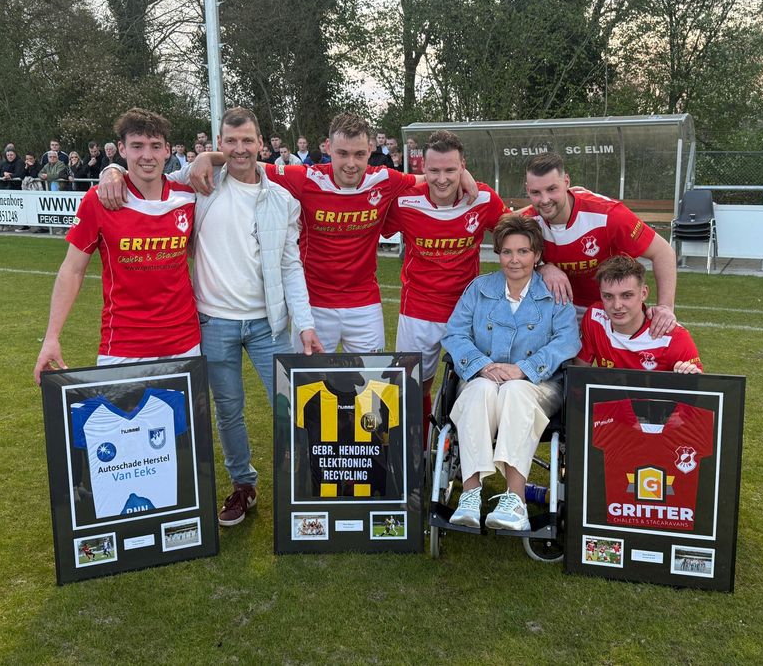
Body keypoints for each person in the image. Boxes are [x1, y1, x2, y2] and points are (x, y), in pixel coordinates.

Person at [97, 106, 324, 526]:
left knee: (292, 405)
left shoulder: (282, 200)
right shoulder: (197, 184)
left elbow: (291, 265)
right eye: (231, 142)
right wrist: (109, 169)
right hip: (213, 323)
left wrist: (305, 324)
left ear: (261, 144)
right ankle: (244, 485)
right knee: (229, 411)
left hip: (268, 325)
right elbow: (141, 170)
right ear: (220, 144)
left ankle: (305, 483)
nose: (240, 149)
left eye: (247, 141)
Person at [177, 111, 476, 353]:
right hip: (314, 306)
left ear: (370, 151)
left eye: (359, 154)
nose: (350, 163)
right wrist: (209, 157)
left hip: (365, 305)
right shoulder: (305, 178)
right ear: (328, 149)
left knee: (371, 393)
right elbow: (247, 162)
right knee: (310, 392)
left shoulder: (385, 179)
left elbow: (433, 178)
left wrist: (464, 174)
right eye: (342, 153)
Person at [32, 107, 200, 384]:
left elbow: (237, 161)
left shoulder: (188, 196)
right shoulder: (99, 200)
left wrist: (206, 156)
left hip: (184, 341)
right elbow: (72, 270)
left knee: (183, 427)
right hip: (122, 345)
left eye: (155, 146)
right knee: (123, 425)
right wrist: (51, 337)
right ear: (121, 149)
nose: (147, 155)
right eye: (137, 146)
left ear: (168, 150)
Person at [441, 216, 579, 531]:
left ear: (537, 255)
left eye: (523, 252)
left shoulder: (552, 293)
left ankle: (514, 500)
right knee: (479, 390)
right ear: (498, 254)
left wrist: (523, 369)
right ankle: (471, 494)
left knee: (516, 391)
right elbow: (455, 334)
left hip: (537, 386)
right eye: (506, 252)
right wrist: (482, 366)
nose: (514, 260)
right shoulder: (479, 289)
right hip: (483, 381)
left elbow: (567, 341)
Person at [381, 130, 508, 423]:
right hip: (417, 310)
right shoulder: (405, 201)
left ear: (463, 166)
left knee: (472, 384)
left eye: (450, 170)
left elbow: (519, 236)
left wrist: (546, 266)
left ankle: (460, 452)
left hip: (466, 310)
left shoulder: (483, 198)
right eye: (434, 170)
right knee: (414, 386)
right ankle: (420, 454)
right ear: (422, 169)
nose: (441, 179)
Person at [520, 152, 679, 336]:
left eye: (552, 189)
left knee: (636, 359)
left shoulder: (609, 214)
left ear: (566, 182)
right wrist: (542, 268)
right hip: (563, 310)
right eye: (536, 192)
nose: (545, 200)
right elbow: (508, 248)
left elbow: (663, 252)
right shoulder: (528, 222)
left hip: (613, 308)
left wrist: (666, 307)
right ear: (527, 190)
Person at [574, 255, 703, 373]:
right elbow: (578, 377)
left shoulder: (674, 337)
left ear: (644, 293)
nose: (617, 305)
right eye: (608, 296)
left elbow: (699, 392)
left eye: (627, 295)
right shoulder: (594, 317)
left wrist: (689, 377)